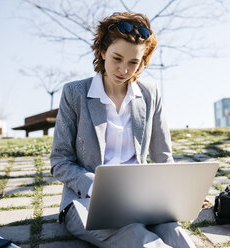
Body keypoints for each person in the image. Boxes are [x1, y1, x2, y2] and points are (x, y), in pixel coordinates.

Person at [50, 12, 196, 248]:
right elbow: (59, 161)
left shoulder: (150, 94)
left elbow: (162, 156)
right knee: (137, 236)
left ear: (143, 61)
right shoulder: (74, 93)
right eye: (117, 58)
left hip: (141, 199)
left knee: (176, 234)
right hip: (87, 201)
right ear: (102, 51)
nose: (124, 70)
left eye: (133, 62)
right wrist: (95, 186)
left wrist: (176, 196)